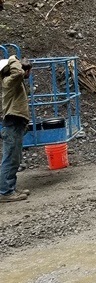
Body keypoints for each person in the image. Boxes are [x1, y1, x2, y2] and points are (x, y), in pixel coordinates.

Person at [1, 56, 31, 203]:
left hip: (16, 123)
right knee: (10, 158)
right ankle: (5, 192)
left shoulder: (14, 83)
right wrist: (13, 58)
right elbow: (18, 74)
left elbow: (21, 74)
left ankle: (9, 188)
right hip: (12, 123)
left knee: (15, 158)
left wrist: (25, 68)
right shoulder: (8, 82)